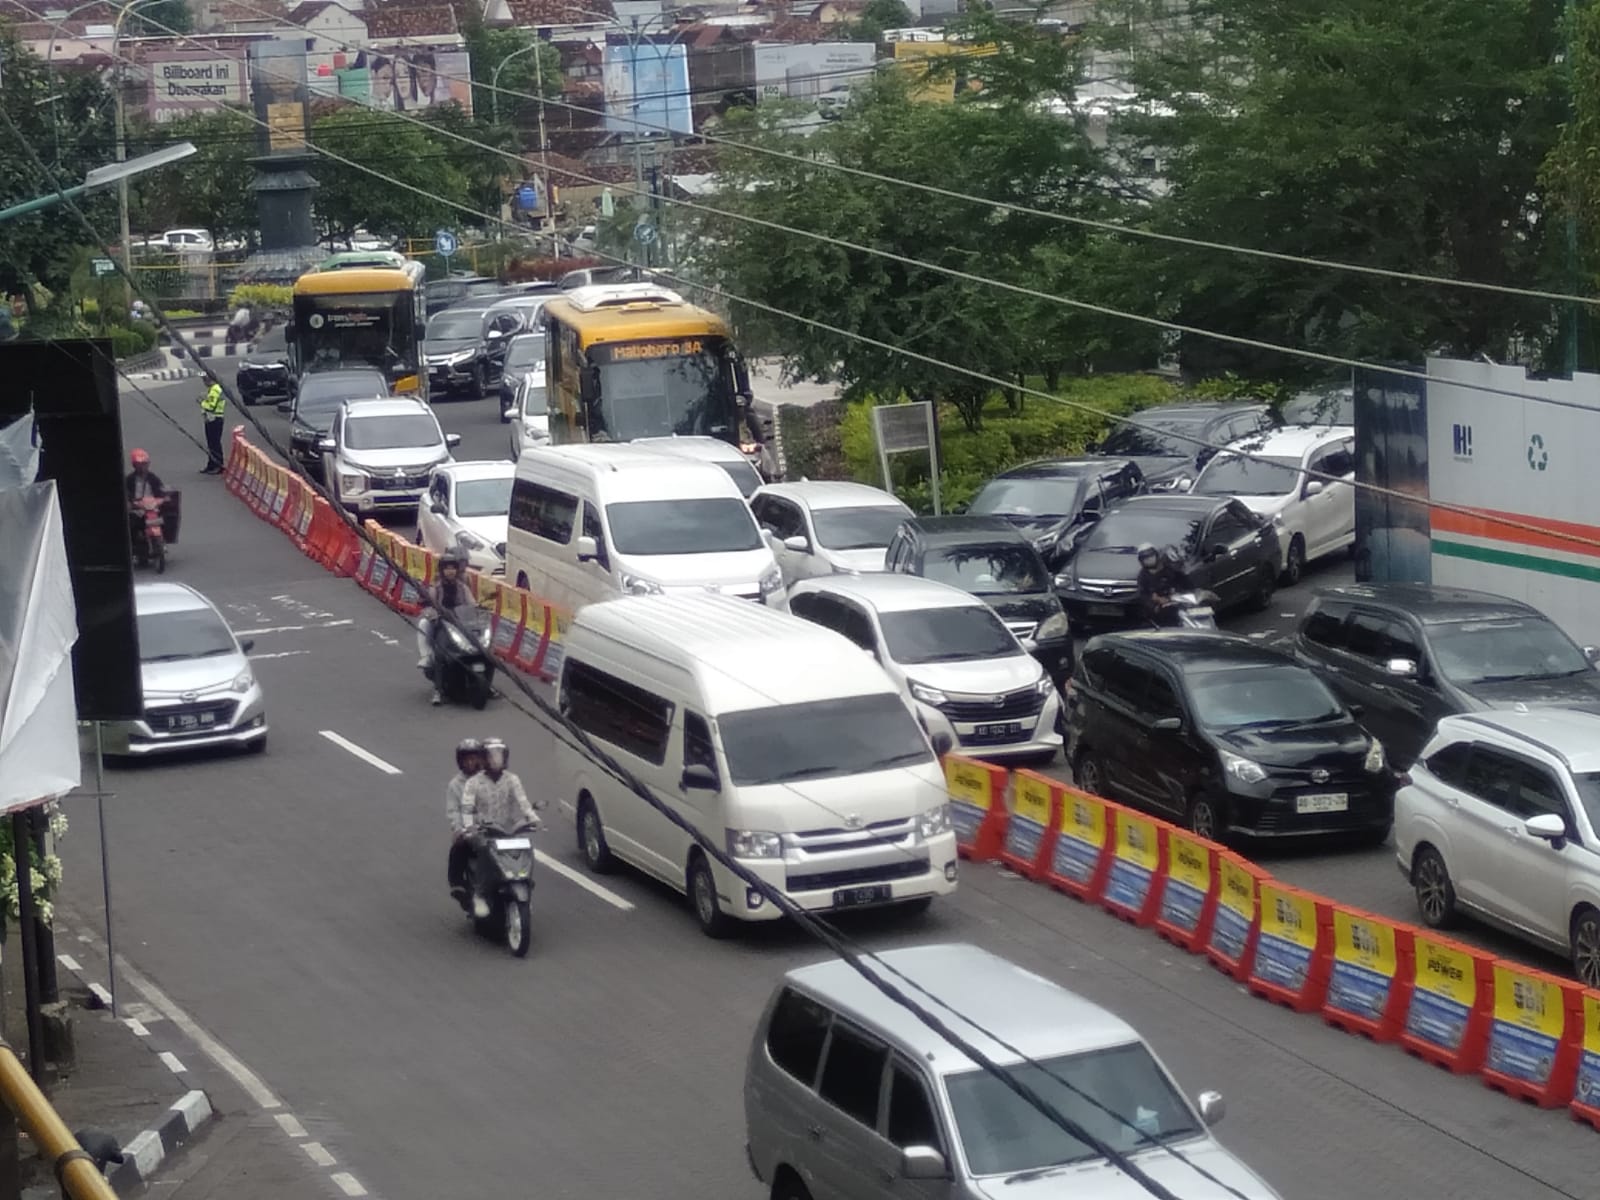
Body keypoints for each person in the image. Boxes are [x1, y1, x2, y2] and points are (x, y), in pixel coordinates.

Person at [459, 738, 539, 918]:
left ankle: (526, 883)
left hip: (508, 830)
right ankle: (480, 894)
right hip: (484, 831)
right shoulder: (473, 783)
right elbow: (467, 807)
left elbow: (523, 803)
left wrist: (534, 820)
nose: (496, 760)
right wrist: (469, 826)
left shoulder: (512, 779)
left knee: (527, 848)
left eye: (499, 755)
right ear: (483, 758)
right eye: (491, 756)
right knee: (484, 850)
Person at [418, 552, 473, 704]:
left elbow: (472, 604)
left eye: (453, 568)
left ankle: (486, 685)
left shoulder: (463, 587)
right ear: (442, 570)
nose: (450, 571)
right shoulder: (435, 588)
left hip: (461, 625)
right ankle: (438, 690)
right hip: (443, 625)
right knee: (440, 655)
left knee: (480, 649)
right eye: (447, 568)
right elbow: (429, 605)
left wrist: (479, 609)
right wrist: (434, 615)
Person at [446, 737, 485, 905]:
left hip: (494, 829)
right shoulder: (455, 785)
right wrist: (459, 829)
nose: (470, 762)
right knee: (458, 848)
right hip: (470, 832)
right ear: (460, 761)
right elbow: (453, 811)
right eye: (467, 758)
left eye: (474, 758)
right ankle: (457, 884)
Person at [1136, 542, 1190, 623]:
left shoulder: (1170, 569)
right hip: (1157, 613)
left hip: (1178, 606)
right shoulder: (1142, 576)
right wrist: (1154, 605)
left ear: (1156, 555)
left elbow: (1186, 584)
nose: (1149, 559)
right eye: (1145, 558)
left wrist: (1178, 594)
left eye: (1151, 556)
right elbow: (1143, 595)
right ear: (1141, 561)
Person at [198, 379, 226, 474]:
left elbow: (211, 406)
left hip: (215, 418)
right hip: (211, 418)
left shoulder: (215, 390)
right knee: (211, 444)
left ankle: (218, 465)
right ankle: (211, 465)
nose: (204, 382)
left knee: (215, 443)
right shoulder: (213, 389)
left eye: (205, 380)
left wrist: (201, 402)